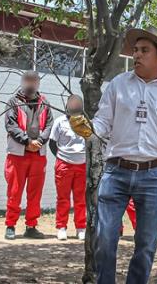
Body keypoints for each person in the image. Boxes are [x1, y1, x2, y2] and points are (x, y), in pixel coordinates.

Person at [69, 26, 157, 284]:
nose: (137, 56)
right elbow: (102, 123)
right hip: (116, 172)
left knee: (147, 244)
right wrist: (87, 128)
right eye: (136, 51)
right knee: (105, 238)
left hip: (155, 176)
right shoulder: (119, 84)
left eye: (144, 51)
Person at [3, 71, 53, 240]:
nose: (31, 83)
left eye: (34, 80)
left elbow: (49, 125)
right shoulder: (13, 102)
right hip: (18, 154)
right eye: (28, 80)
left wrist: (38, 141)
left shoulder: (44, 102)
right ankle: (10, 225)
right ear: (23, 82)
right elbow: (11, 126)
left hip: (38, 154)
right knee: (14, 191)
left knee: (35, 192)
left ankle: (31, 226)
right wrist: (27, 142)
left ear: (38, 83)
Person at [49, 94, 86, 241]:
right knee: (63, 198)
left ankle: (81, 228)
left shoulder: (86, 121)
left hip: (82, 165)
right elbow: (52, 143)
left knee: (80, 198)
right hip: (64, 164)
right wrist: (62, 156)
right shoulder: (60, 121)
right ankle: (61, 227)